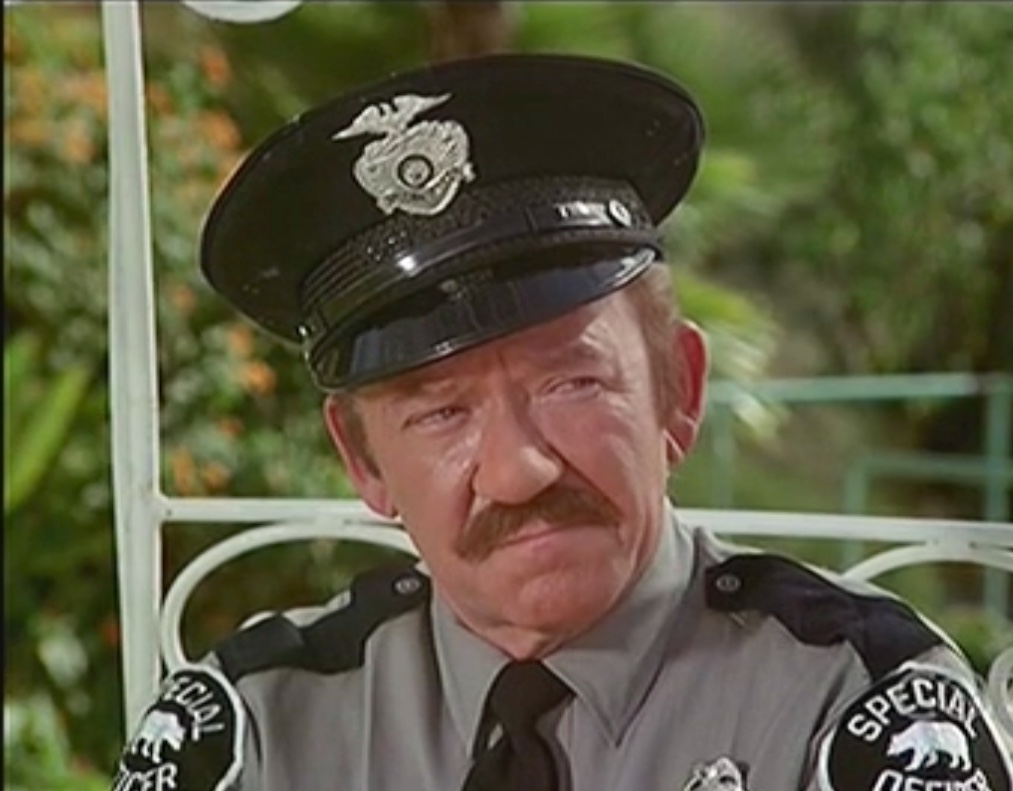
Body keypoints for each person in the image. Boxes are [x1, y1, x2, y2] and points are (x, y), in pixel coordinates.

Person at [112, 54, 1011, 791]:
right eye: (441, 411)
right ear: (364, 461)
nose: (518, 470)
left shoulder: (858, 706)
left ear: (677, 389)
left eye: (571, 381)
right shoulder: (253, 731)